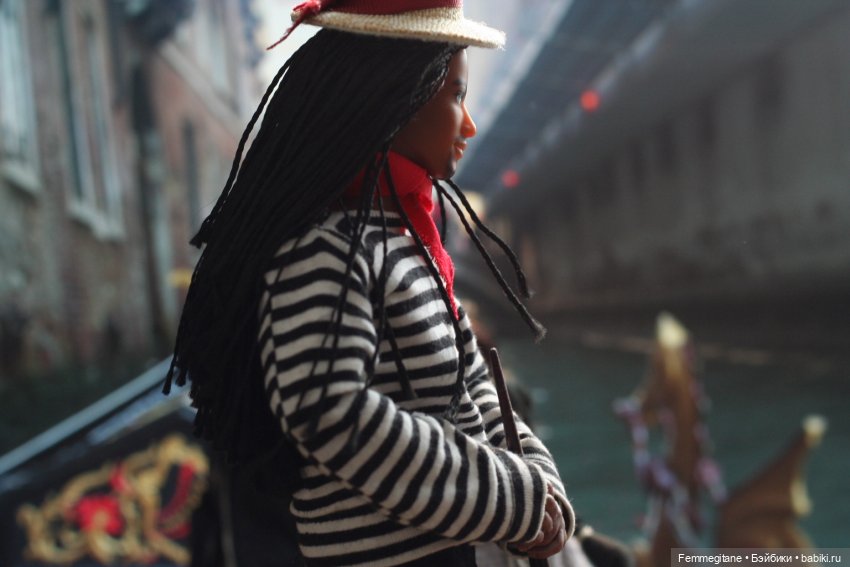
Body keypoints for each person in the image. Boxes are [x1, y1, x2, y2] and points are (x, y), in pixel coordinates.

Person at [164, 1, 575, 565]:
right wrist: (510, 499)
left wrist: (540, 482)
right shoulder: (324, 249)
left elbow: (474, 378)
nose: (470, 125)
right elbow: (329, 412)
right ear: (397, 98)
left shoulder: (408, 241)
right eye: (455, 96)